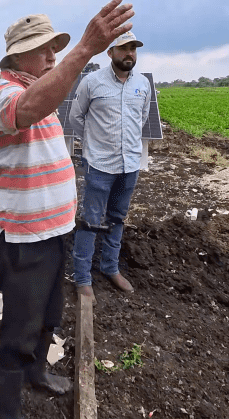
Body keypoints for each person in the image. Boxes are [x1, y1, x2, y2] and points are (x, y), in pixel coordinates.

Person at [0, 0, 134, 418]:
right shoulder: (2, 96)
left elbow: (41, 107)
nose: (53, 55)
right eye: (44, 48)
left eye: (57, 48)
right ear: (17, 56)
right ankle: (8, 410)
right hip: (23, 239)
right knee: (19, 328)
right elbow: (28, 109)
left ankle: (37, 374)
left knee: (50, 313)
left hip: (52, 231)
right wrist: (85, 49)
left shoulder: (41, 92)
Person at [68, 30, 150, 304]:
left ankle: (110, 267)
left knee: (117, 218)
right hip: (100, 165)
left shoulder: (142, 84)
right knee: (91, 221)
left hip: (130, 165)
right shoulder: (92, 82)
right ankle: (82, 279)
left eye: (133, 49)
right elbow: (76, 117)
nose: (129, 53)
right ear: (110, 52)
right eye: (124, 48)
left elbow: (141, 118)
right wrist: (93, 144)